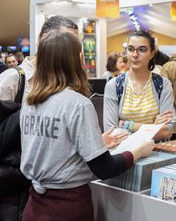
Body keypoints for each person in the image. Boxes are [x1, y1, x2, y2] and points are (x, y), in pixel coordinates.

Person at [20, 30, 154, 221]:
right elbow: (104, 168)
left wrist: (97, 142)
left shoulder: (29, 101)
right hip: (67, 208)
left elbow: (51, 149)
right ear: (73, 61)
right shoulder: (77, 104)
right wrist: (137, 152)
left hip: (33, 207)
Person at [0, 15, 80, 221]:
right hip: (14, 184)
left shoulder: (65, 83)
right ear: (44, 40)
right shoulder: (14, 78)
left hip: (45, 188)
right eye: (67, 42)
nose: (71, 51)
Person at [104, 29, 176, 140]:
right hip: (124, 154)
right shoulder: (113, 85)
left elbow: (167, 131)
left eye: (142, 50)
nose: (135, 54)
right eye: (130, 49)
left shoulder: (163, 84)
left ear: (151, 53)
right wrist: (154, 127)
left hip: (158, 154)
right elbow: (111, 132)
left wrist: (127, 125)